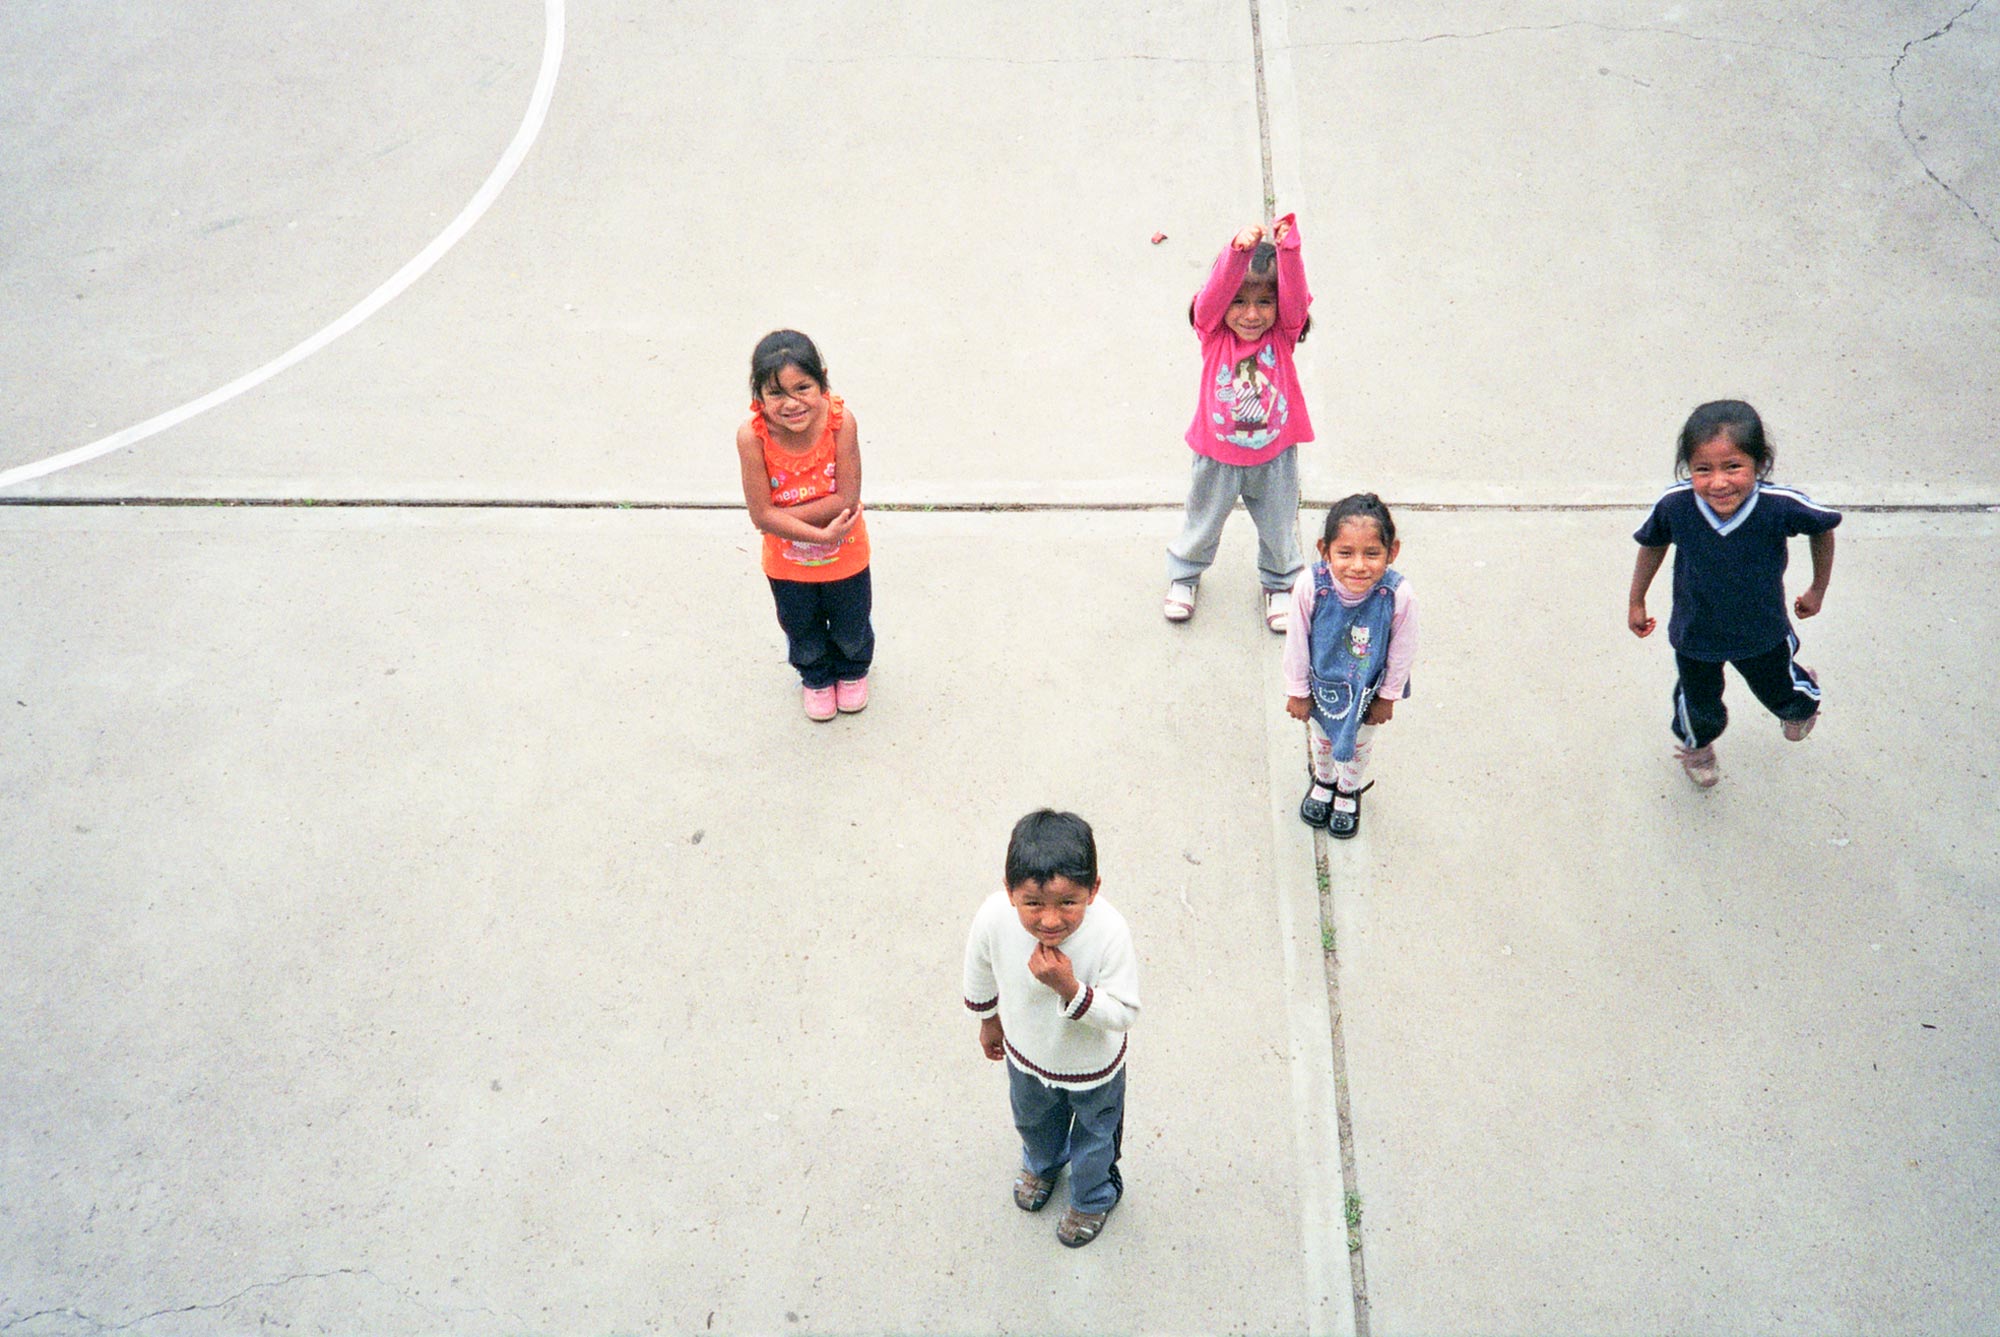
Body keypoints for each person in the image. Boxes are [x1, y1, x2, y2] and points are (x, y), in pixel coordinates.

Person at [1628, 400, 1839, 788]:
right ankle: (1698, 745)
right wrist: (1636, 599)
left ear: (1759, 464)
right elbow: (1653, 543)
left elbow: (1822, 529)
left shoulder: (1779, 507)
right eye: (1702, 469)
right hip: (1695, 636)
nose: (1718, 482)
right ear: (1687, 468)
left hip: (1763, 632)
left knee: (1781, 694)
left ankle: (1801, 697)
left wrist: (1817, 588)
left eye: (1733, 467)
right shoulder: (1675, 506)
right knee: (1699, 707)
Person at [963, 810, 1139, 1248]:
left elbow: (1123, 1012)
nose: (1050, 920)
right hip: (1027, 1058)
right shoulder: (992, 918)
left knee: (1097, 1139)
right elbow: (979, 969)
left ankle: (1092, 1196)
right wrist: (989, 1020)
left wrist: (1070, 989)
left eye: (1068, 902)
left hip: (1094, 1069)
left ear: (1093, 890)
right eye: (1033, 903)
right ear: (1010, 893)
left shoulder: (1110, 932)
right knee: (1033, 1122)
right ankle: (1042, 1164)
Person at [1164, 214, 1314, 633]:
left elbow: (1296, 298)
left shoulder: (1282, 335)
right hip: (1217, 456)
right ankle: (1184, 575)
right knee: (1203, 520)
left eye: (1265, 302)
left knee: (1279, 524)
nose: (1251, 314)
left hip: (1274, 456)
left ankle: (1280, 583)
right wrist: (1236, 253)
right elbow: (1212, 298)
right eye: (1240, 301)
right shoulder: (1213, 333)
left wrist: (1290, 252)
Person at [735, 330, 872, 721]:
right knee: (801, 628)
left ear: (823, 382)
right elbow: (760, 515)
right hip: (787, 567)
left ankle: (851, 671)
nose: (792, 403)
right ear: (758, 395)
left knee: (851, 625)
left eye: (803, 387)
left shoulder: (841, 423)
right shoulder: (752, 438)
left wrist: (779, 519)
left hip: (846, 556)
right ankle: (815, 677)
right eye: (776, 393)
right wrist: (819, 532)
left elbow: (844, 498)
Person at [1285, 494, 1417, 838]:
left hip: (1366, 692)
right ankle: (1325, 780)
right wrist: (1298, 690)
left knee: (1359, 744)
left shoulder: (1398, 595)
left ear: (1392, 552)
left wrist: (1387, 696)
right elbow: (1297, 640)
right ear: (1324, 550)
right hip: (1322, 688)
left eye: (1372, 553)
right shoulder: (1311, 586)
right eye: (1345, 553)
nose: (1358, 565)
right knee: (1323, 739)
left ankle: (1348, 789)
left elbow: (1403, 648)